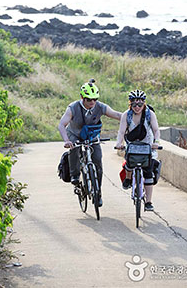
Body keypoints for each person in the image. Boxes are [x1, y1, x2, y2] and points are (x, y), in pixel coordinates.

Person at [58, 79, 123, 207]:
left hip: (92, 136)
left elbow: (117, 115)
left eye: (95, 99)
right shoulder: (73, 108)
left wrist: (134, 116)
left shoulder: (100, 107)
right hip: (74, 134)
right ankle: (75, 176)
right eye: (89, 99)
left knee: (98, 160)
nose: (92, 102)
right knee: (74, 150)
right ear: (82, 97)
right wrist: (66, 140)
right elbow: (62, 125)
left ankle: (98, 193)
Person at [114, 89, 161, 211]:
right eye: (134, 104)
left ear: (144, 104)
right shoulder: (126, 115)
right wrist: (119, 143)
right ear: (130, 104)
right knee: (129, 162)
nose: (137, 107)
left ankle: (149, 202)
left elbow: (156, 130)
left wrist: (156, 143)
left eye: (140, 104)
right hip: (132, 145)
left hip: (147, 145)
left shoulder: (150, 114)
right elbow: (121, 131)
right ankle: (128, 178)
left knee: (148, 172)